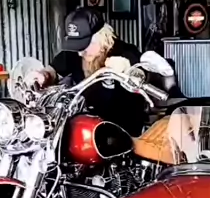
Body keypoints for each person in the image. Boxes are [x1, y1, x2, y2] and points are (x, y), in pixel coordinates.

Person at [28, 7, 146, 136]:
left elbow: (143, 75)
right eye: (77, 45)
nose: (80, 53)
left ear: (102, 38)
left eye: (84, 45)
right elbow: (53, 70)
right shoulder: (75, 53)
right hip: (86, 128)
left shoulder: (126, 53)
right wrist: (43, 75)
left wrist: (128, 69)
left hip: (123, 132)